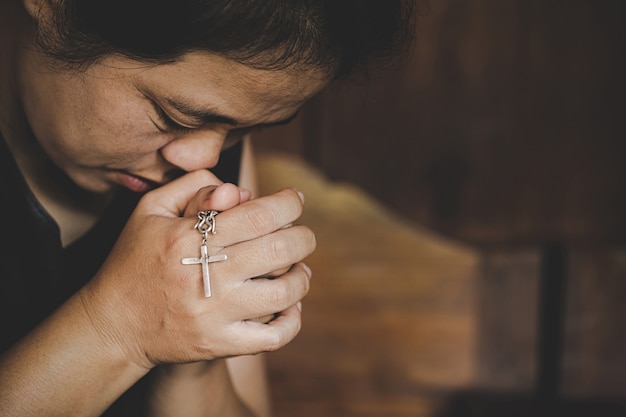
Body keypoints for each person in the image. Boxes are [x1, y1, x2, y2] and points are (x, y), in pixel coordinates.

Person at [0, 0, 416, 416]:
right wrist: (120, 329)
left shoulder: (207, 156)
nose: (203, 162)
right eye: (172, 116)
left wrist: (193, 354)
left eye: (246, 129)